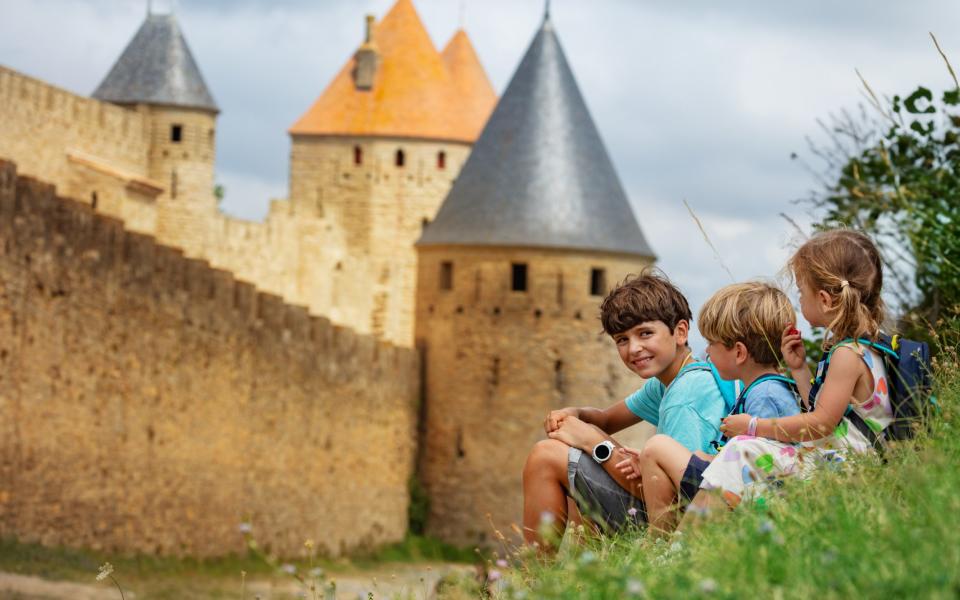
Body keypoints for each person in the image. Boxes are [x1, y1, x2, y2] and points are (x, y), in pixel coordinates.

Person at [521, 270, 736, 550]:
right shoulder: (668, 382)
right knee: (569, 458)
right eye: (622, 339)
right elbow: (606, 418)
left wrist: (594, 442)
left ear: (680, 332)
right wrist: (576, 414)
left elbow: (679, 496)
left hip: (678, 524)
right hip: (670, 508)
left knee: (546, 456)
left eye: (645, 333)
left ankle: (535, 578)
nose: (634, 348)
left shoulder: (687, 393)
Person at [688, 229, 892, 516]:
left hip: (842, 471)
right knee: (743, 456)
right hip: (840, 463)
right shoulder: (869, 346)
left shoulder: (848, 354)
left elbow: (820, 424)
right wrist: (799, 369)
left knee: (740, 452)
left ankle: (682, 548)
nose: (799, 300)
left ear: (824, 299)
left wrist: (752, 426)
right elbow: (829, 415)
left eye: (800, 291)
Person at [617, 282, 802, 535]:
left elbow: (772, 465)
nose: (706, 350)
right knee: (654, 452)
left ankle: (659, 541)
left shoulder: (766, 395)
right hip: (740, 487)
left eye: (712, 343)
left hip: (752, 503)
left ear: (738, 353)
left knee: (657, 447)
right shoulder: (756, 390)